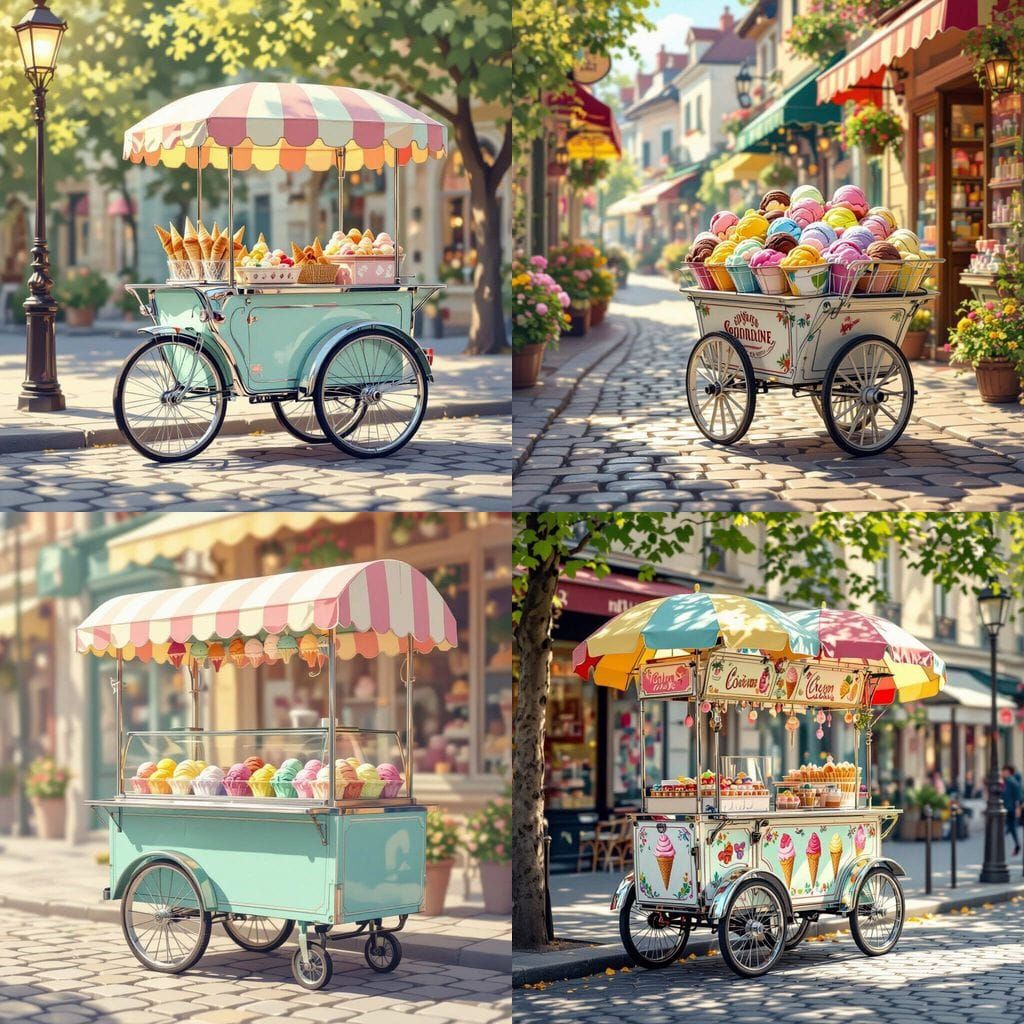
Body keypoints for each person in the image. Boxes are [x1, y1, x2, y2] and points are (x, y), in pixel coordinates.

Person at [1001, 764, 1022, 857]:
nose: (1002, 773)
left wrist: (1018, 808)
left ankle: (1000, 842)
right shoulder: (1007, 781)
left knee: (1010, 827)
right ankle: (1016, 844)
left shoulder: (1011, 781)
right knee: (1011, 827)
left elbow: (1018, 796)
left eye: (1004, 771)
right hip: (1008, 808)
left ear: (1008, 772)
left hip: (1010, 808)